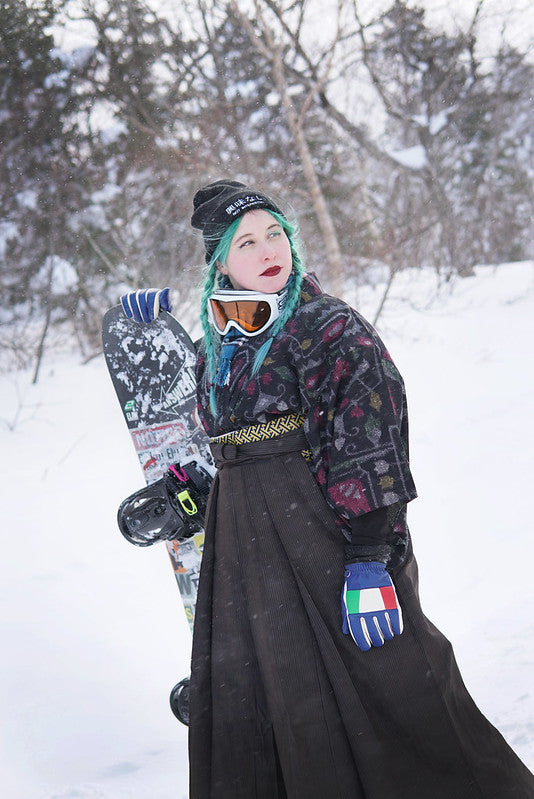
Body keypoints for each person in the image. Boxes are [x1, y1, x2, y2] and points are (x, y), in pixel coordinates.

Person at [121, 180, 534, 798]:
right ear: (220, 264)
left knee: (391, 689)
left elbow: (371, 439)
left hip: (327, 542)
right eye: (246, 242)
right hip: (247, 556)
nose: (269, 249)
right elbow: (239, 455)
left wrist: (371, 557)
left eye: (275, 233)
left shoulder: (329, 327)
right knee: (276, 700)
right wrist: (188, 494)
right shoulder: (217, 349)